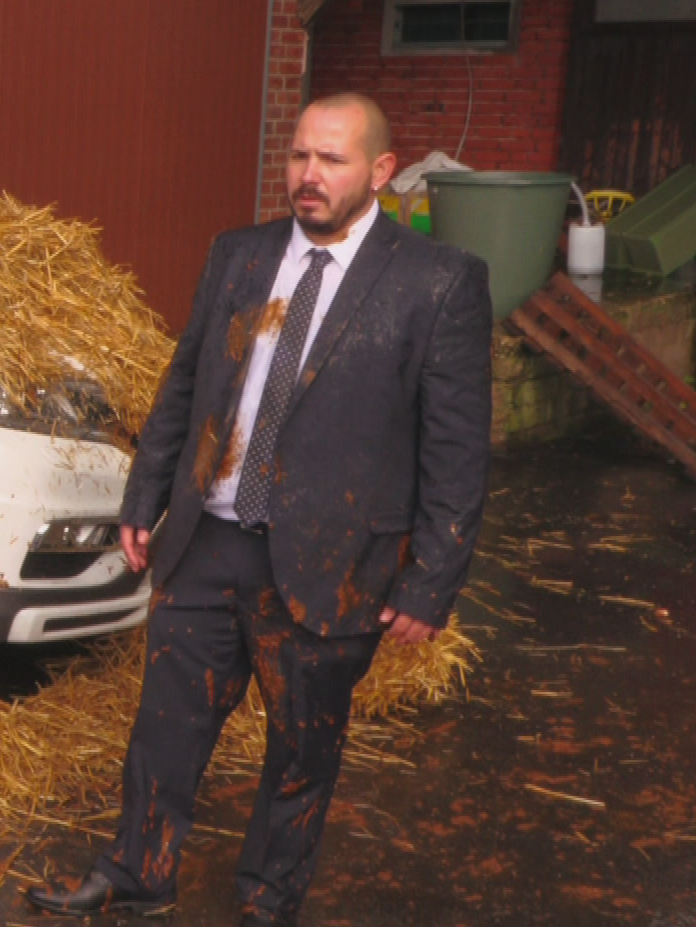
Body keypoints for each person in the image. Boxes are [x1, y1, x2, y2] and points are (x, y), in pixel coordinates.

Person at [26, 93, 492, 925]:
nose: (308, 177)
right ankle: (139, 872)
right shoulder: (238, 255)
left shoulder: (437, 284)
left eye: (332, 160)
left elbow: (457, 449)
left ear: (382, 171)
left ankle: (267, 901)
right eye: (299, 156)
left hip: (334, 560)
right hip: (209, 537)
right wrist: (146, 495)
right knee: (165, 726)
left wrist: (431, 581)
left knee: (302, 749)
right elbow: (187, 385)